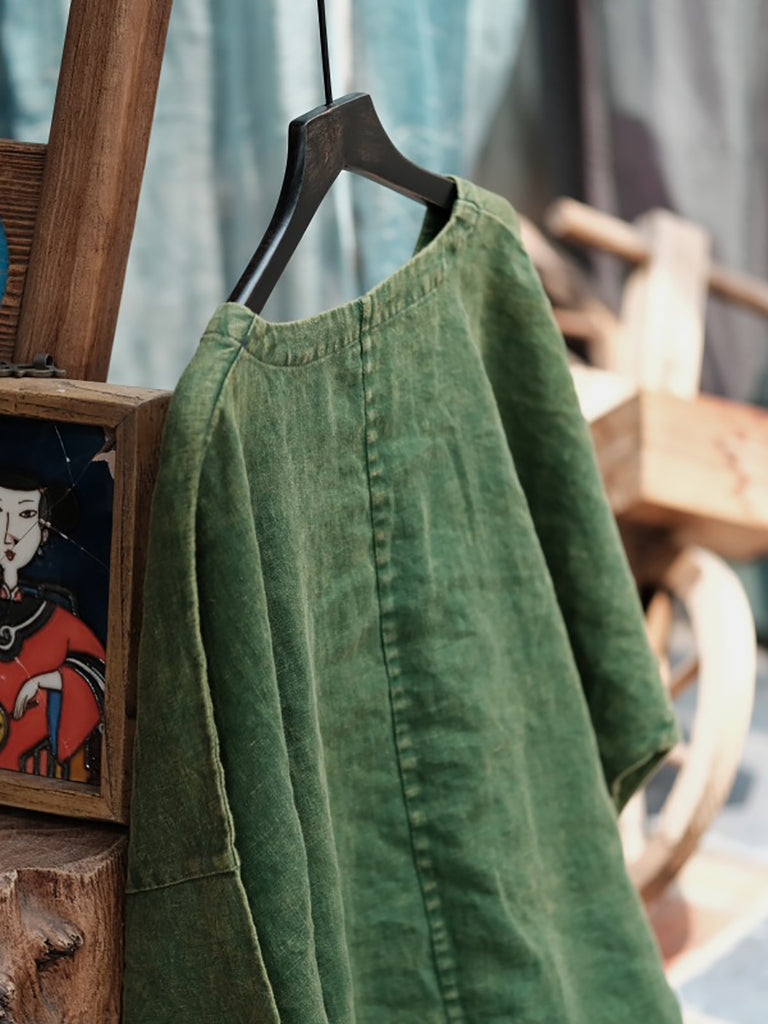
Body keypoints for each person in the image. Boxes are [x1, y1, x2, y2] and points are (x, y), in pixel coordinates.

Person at [0, 472, 105, 780]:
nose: (9, 533)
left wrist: (51, 681)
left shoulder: (60, 622)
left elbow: (100, 678)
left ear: (44, 530)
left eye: (26, 515)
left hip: (35, 781)